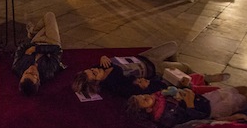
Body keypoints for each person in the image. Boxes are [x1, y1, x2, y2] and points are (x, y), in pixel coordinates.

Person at [72, 41, 219, 97]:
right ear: (96, 83)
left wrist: (104, 56)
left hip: (144, 56)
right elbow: (141, 88)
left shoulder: (99, 67)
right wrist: (145, 84)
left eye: (90, 70)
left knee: (173, 45)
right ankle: (204, 78)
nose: (94, 70)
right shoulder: (116, 85)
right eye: (93, 75)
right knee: (185, 66)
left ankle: (178, 73)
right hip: (155, 68)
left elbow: (101, 63)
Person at [126, 86, 247, 128]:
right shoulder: (164, 117)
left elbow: (176, 94)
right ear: (148, 110)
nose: (145, 96)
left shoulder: (160, 97)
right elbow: (193, 123)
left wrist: (183, 93)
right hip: (210, 109)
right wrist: (190, 104)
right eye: (143, 101)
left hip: (204, 99)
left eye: (142, 95)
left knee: (241, 89)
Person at [12, 12, 65, 96]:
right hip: (52, 43)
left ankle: (33, 32)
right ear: (39, 80)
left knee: (47, 23)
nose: (30, 70)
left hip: (35, 41)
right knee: (49, 16)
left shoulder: (18, 67)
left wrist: (32, 46)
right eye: (33, 74)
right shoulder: (48, 72)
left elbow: (21, 47)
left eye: (26, 73)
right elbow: (57, 49)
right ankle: (33, 32)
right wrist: (34, 49)